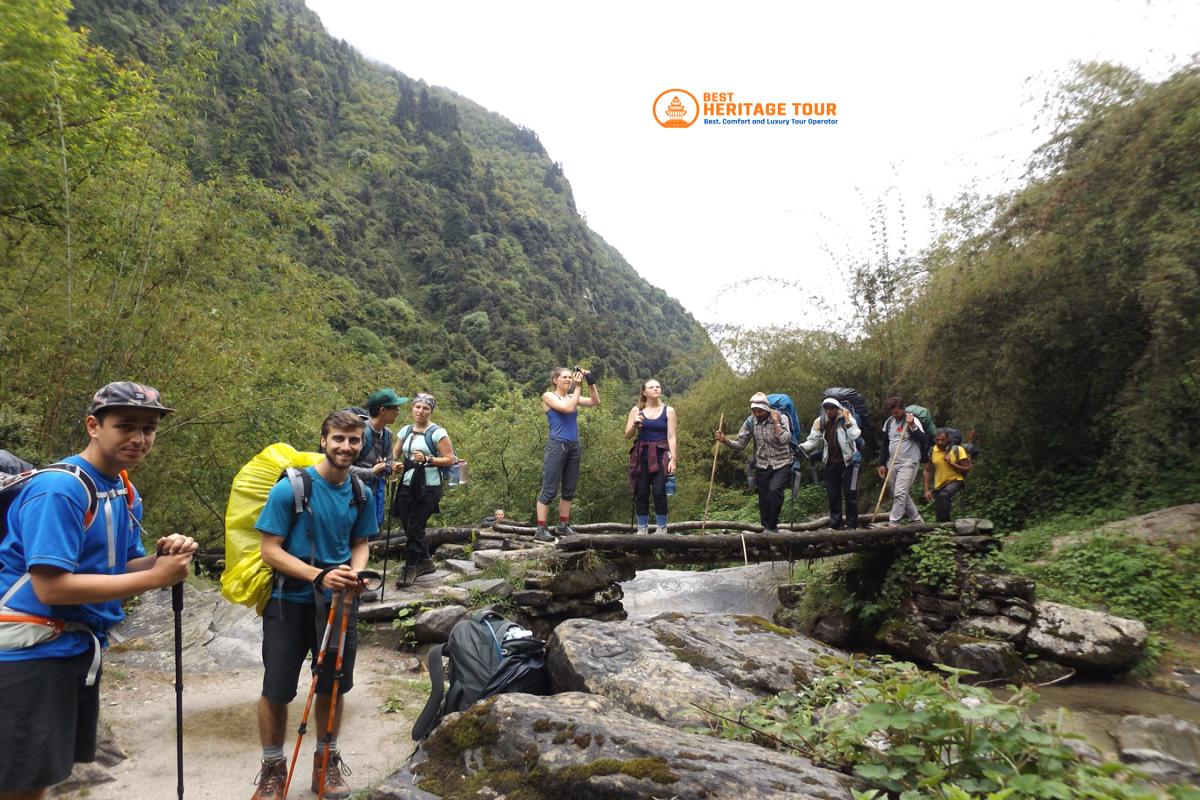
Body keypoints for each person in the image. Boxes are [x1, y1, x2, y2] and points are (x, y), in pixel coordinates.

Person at [0, 381, 196, 800]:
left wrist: (163, 558)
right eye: (125, 425)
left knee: (41, 775)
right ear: (93, 425)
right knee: (21, 783)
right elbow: (50, 586)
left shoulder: (123, 489)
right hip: (29, 652)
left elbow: (121, 566)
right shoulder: (60, 490)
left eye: (148, 428)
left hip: (71, 648)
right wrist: (157, 577)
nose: (139, 438)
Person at [250, 409, 378, 800]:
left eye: (354, 440)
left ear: (361, 444)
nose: (346, 446)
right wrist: (319, 576)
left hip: (339, 603)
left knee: (333, 687)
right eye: (338, 438)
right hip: (289, 601)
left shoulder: (361, 492)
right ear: (323, 441)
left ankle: (325, 762)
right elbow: (269, 550)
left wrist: (354, 574)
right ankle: (273, 768)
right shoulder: (290, 489)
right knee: (277, 689)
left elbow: (360, 543)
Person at [390, 393, 455, 587]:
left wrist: (428, 459)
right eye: (417, 407)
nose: (420, 411)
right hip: (408, 482)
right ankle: (426, 560)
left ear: (431, 411)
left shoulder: (437, 432)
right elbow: (394, 454)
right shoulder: (406, 430)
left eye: (425, 408)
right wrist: (393, 465)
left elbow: (450, 459)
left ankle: (411, 567)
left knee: (415, 526)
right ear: (412, 408)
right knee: (406, 522)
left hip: (430, 485)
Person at [536, 367, 600, 543]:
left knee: (569, 489)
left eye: (570, 377)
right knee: (549, 488)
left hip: (573, 445)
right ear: (555, 380)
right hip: (557, 445)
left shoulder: (572, 396)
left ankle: (563, 525)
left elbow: (595, 401)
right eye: (564, 377)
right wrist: (578, 387)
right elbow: (566, 409)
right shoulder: (548, 396)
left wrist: (590, 381)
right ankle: (541, 528)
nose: (568, 380)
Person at [715, 392, 792, 533]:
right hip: (762, 464)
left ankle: (772, 526)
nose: (757, 413)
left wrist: (776, 423)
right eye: (754, 411)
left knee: (775, 491)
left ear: (767, 409)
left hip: (782, 462)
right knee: (763, 499)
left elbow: (785, 439)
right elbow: (740, 444)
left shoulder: (782, 418)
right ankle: (765, 527)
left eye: (760, 411)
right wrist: (724, 440)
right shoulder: (750, 422)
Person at [799, 397, 863, 530]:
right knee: (833, 496)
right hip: (830, 464)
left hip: (849, 463)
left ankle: (852, 526)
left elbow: (855, 435)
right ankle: (836, 525)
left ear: (837, 408)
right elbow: (813, 440)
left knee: (850, 495)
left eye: (832, 408)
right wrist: (802, 447)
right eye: (826, 408)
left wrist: (847, 421)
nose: (829, 411)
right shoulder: (821, 421)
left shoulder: (847, 417)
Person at [624, 379, 677, 535]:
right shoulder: (636, 410)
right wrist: (634, 423)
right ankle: (642, 528)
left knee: (660, 491)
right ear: (644, 392)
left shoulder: (669, 411)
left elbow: (672, 436)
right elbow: (627, 435)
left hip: (661, 455)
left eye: (658, 386)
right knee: (641, 491)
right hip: (641, 455)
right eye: (651, 387)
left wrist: (673, 458)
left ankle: (662, 528)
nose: (656, 388)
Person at [348, 388, 405, 528]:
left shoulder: (387, 434)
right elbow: (342, 467)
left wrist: (391, 467)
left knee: (370, 532)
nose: (397, 412)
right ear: (382, 410)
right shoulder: (361, 433)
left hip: (375, 493)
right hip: (353, 494)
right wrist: (371, 472)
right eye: (395, 408)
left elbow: (389, 460)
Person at [877, 397, 929, 526]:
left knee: (900, 493)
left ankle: (894, 522)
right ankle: (917, 520)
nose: (894, 415)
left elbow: (924, 440)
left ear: (903, 409)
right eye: (892, 413)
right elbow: (885, 444)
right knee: (899, 493)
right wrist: (882, 463)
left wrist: (912, 426)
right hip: (892, 462)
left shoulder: (912, 420)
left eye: (897, 413)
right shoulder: (889, 422)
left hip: (909, 462)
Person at [923, 429, 972, 522]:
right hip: (939, 484)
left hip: (956, 480)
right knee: (939, 511)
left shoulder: (957, 450)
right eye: (937, 440)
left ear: (948, 439)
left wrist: (951, 464)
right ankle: (943, 528)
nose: (940, 442)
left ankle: (946, 526)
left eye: (942, 440)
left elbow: (967, 468)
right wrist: (926, 490)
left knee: (944, 495)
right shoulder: (933, 450)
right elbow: (927, 470)